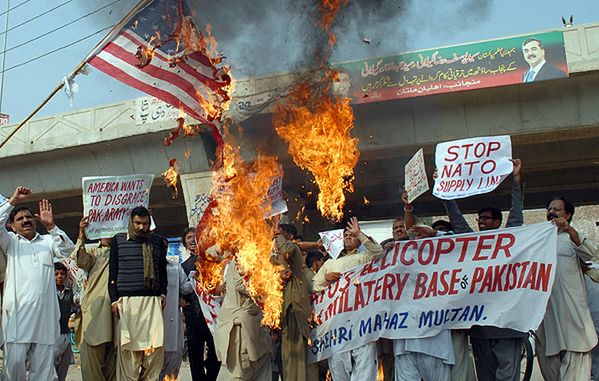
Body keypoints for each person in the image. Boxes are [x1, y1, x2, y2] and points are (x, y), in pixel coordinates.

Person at [442, 159, 523, 381]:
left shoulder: (510, 240)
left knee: (507, 377)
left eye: (486, 219)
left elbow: (516, 215)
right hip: (480, 329)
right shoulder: (473, 244)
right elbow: (457, 221)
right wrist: (443, 190)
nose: (481, 223)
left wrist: (516, 182)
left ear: (498, 222)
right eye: (479, 219)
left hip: (508, 326)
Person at [0, 187, 75, 380]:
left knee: (42, 372)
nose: (26, 220)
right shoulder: (10, 242)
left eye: (29, 217)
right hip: (17, 318)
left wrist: (51, 226)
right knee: (14, 367)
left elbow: (68, 249)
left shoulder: (48, 242)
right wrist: (12, 201)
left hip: (45, 319)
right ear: (12, 226)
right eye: (20, 219)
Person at [312, 217, 383, 381]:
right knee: (338, 371)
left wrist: (360, 233)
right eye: (345, 235)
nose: (348, 237)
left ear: (358, 239)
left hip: (362, 323)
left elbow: (379, 253)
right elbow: (313, 288)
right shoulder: (330, 263)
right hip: (337, 326)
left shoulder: (365, 258)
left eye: (351, 235)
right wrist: (325, 279)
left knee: (365, 372)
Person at [535, 197, 598, 380]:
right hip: (548, 316)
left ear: (568, 214)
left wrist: (570, 230)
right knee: (550, 365)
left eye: (557, 209)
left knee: (576, 360)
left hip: (573, 315)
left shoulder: (572, 237)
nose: (552, 212)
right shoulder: (539, 240)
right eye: (549, 209)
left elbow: (589, 252)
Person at [109, 206, 168, 380]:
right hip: (127, 304)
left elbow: (162, 271)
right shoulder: (118, 241)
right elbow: (113, 272)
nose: (141, 227)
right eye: (137, 223)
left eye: (145, 223)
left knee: (154, 351)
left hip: (152, 303)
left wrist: (163, 293)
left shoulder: (157, 242)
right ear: (131, 222)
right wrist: (114, 300)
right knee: (129, 355)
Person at [214, 259, 272, 380]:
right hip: (240, 329)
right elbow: (241, 285)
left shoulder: (257, 258)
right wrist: (268, 281)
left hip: (255, 325)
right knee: (240, 372)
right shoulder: (238, 262)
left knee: (263, 369)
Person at [73, 216, 116, 381]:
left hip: (119, 314)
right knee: (92, 366)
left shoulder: (124, 251)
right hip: (96, 314)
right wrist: (81, 235)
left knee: (116, 366)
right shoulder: (93, 251)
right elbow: (80, 260)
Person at [275, 223, 317, 381]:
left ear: (288, 237)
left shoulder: (292, 248)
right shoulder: (276, 254)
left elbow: (286, 250)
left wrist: (276, 234)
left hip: (295, 308)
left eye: (280, 234)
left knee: (297, 355)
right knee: (287, 357)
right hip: (283, 309)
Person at [180, 227, 220, 381]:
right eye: (189, 237)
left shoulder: (213, 261)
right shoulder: (183, 267)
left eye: (194, 236)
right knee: (195, 353)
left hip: (212, 314)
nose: (192, 240)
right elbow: (181, 289)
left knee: (215, 352)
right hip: (194, 315)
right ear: (184, 242)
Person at [160, 255, 194, 380]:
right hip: (153, 321)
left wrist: (195, 278)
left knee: (173, 361)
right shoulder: (147, 267)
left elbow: (185, 288)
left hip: (172, 321)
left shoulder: (175, 267)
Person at [54, 262, 76, 381]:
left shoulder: (70, 292)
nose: (59, 276)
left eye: (62, 274)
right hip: (51, 337)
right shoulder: (48, 293)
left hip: (65, 336)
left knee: (62, 373)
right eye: (56, 274)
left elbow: (77, 307)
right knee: (51, 375)